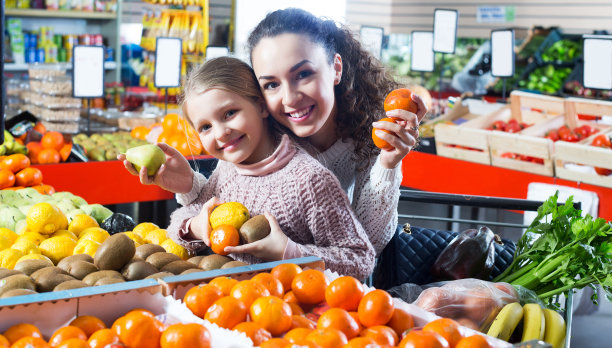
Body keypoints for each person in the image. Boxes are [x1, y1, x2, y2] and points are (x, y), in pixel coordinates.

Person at [119, 57, 375, 279]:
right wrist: (195, 223)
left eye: (230, 113)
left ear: (261, 106)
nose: (221, 133)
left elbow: (360, 259)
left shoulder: (309, 181)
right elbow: (181, 227)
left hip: (290, 317)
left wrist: (290, 252)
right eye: (205, 127)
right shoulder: (229, 167)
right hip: (232, 310)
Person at [245, 8, 429, 254]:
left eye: (303, 74)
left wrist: (388, 164)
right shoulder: (260, 140)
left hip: (343, 288)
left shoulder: (369, 134)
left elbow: (370, 244)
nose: (289, 98)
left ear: (336, 68)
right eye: (271, 84)